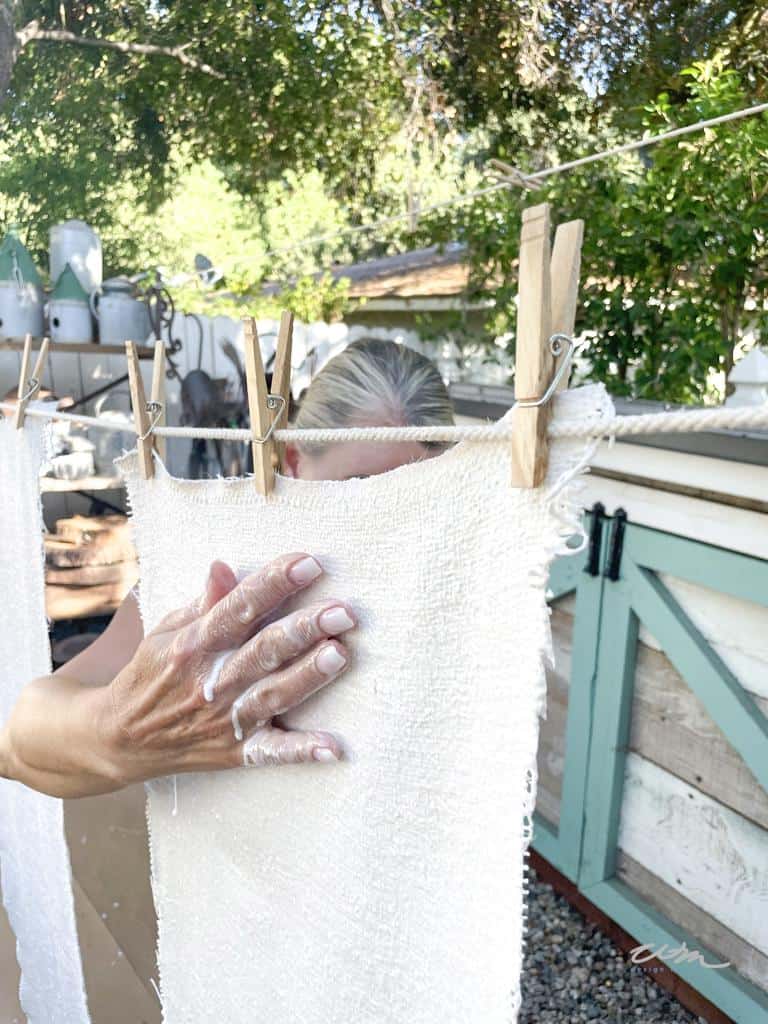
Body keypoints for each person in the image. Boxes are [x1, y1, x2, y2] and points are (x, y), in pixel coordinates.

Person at [0, 338, 454, 799]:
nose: (393, 521)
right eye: (364, 490)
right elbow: (17, 743)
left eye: (421, 496)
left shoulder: (461, 587)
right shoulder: (223, 577)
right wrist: (124, 734)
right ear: (294, 461)